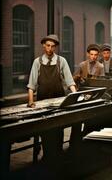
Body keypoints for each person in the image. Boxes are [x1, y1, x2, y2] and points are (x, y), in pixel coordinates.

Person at [27, 34, 76, 162]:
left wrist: (75, 96)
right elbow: (32, 85)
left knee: (58, 128)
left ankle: (57, 156)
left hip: (58, 100)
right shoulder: (37, 62)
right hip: (42, 100)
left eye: (53, 46)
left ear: (55, 47)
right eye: (48, 45)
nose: (50, 49)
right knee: (45, 129)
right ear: (43, 45)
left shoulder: (61, 61)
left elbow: (70, 81)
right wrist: (31, 101)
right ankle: (48, 156)